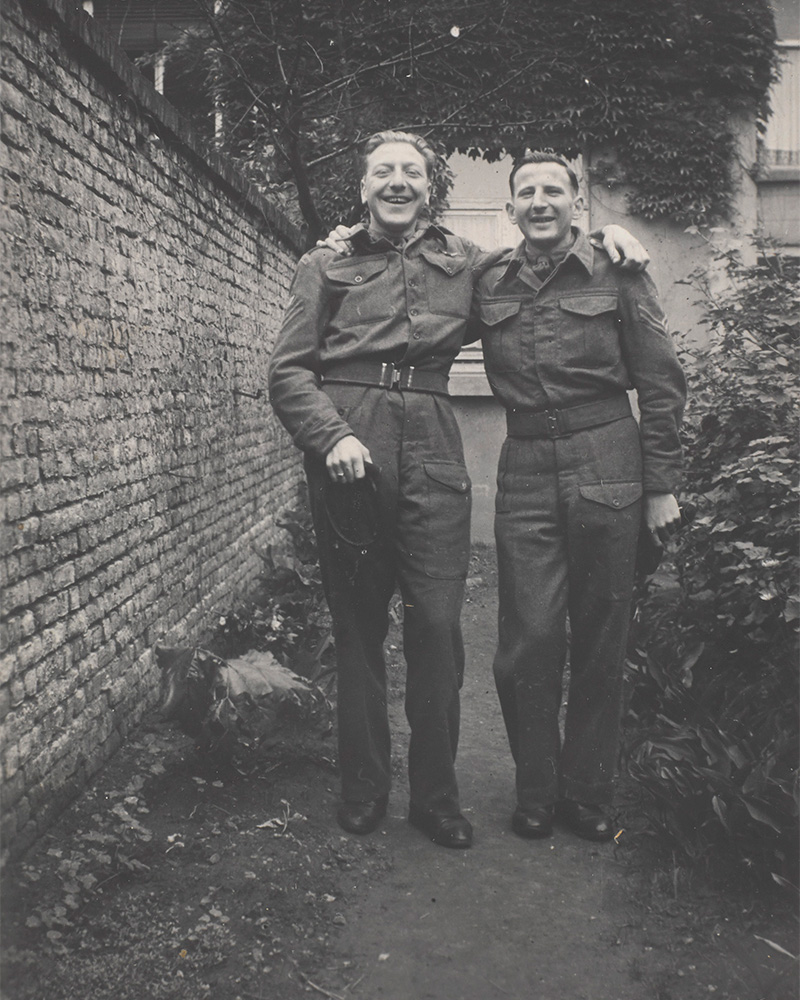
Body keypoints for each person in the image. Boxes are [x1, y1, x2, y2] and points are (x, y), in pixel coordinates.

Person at [268, 132, 648, 849]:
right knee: (357, 628)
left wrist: (608, 236)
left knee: (439, 628)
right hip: (351, 444)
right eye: (384, 171)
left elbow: (543, 266)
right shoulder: (324, 263)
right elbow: (287, 371)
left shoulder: (467, 265)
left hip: (437, 449)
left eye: (411, 172)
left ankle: (436, 797)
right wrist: (332, 436)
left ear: (429, 189)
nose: (398, 183)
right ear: (363, 188)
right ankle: (364, 786)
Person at [470, 152, 686, 841]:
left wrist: (661, 488)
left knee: (601, 635)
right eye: (525, 192)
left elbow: (661, 383)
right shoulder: (487, 281)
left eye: (552, 190)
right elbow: (420, 282)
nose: (539, 201)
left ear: (576, 201)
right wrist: (341, 242)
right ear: (510, 209)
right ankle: (536, 789)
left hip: (608, 457)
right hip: (526, 461)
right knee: (528, 638)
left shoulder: (617, 271)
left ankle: (587, 793)